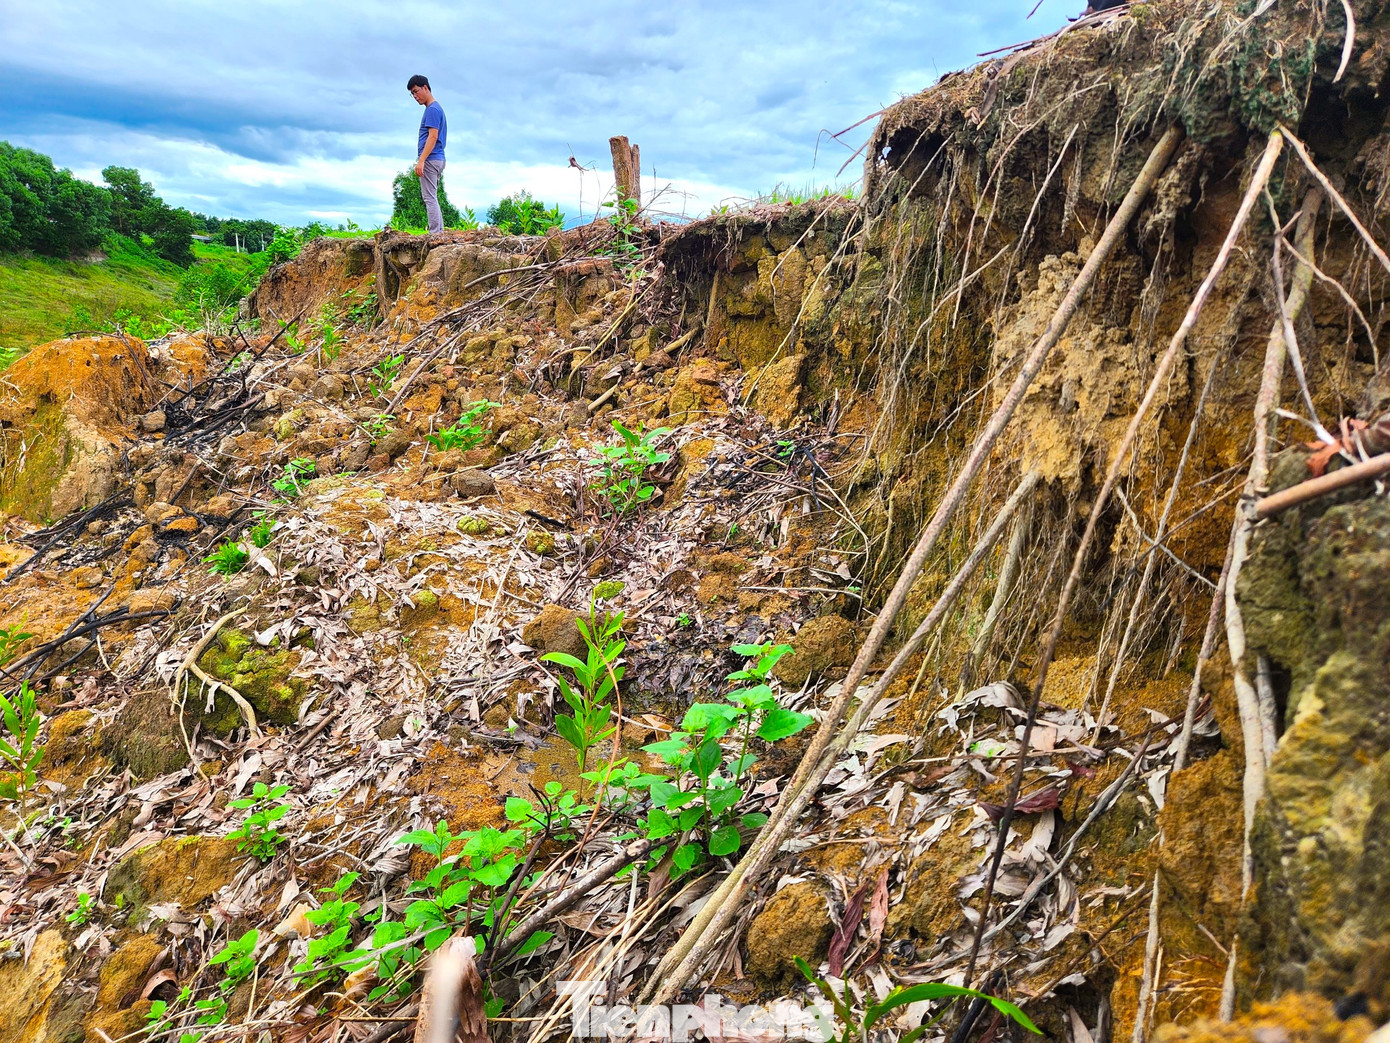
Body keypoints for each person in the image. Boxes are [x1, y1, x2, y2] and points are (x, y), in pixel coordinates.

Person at [407, 74, 447, 234]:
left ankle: (435, 234)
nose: (415, 96)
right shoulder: (436, 109)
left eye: (416, 91)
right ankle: (439, 232)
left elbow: (433, 136)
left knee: (429, 198)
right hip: (438, 158)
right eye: (412, 94)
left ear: (425, 87)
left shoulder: (432, 109)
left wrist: (422, 160)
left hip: (431, 158)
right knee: (432, 197)